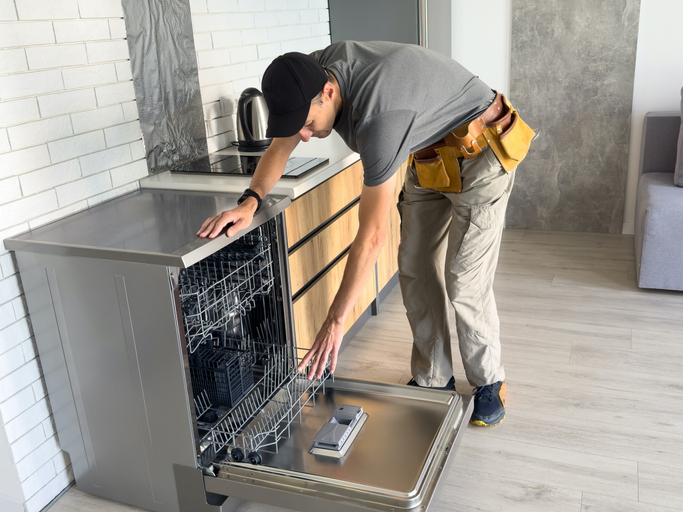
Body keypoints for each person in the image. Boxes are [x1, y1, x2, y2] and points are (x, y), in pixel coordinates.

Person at [197, 41, 534, 426]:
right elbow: (282, 143)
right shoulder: (310, 73)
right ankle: (433, 378)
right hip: (427, 154)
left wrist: (335, 321)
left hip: (480, 150)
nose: (304, 135)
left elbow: (372, 236)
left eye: (307, 124)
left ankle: (489, 380)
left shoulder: (380, 118)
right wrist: (251, 200)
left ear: (329, 92)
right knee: (413, 265)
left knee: (464, 279)